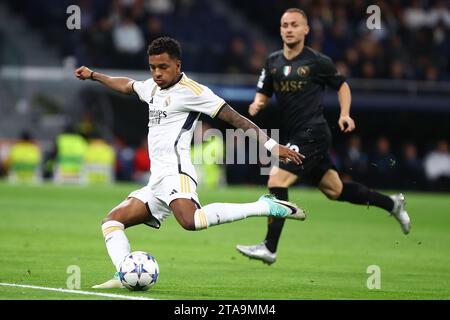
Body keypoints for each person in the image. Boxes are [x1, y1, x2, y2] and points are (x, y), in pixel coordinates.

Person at [75, 36, 305, 289]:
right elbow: (127, 85)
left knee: (191, 221)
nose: (157, 73)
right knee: (112, 222)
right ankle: (123, 274)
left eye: (163, 67)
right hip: (157, 181)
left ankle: (263, 206)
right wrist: (94, 75)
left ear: (177, 64)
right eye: (153, 67)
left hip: (177, 172)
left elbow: (236, 119)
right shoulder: (151, 88)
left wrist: (272, 146)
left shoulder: (194, 92)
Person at [236, 8, 411, 265]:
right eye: (285, 24)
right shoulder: (272, 61)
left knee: (276, 179)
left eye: (295, 24)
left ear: (306, 29)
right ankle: (392, 204)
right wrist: (257, 104)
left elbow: (342, 86)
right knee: (335, 190)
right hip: (296, 133)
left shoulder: (317, 62)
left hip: (313, 133)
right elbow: (264, 90)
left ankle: (269, 247)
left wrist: (345, 114)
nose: (289, 29)